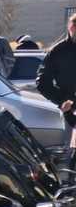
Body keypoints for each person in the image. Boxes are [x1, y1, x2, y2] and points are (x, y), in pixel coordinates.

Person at [36, 14, 76, 171]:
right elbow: (42, 82)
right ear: (71, 28)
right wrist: (62, 100)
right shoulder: (58, 51)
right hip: (72, 110)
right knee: (71, 156)